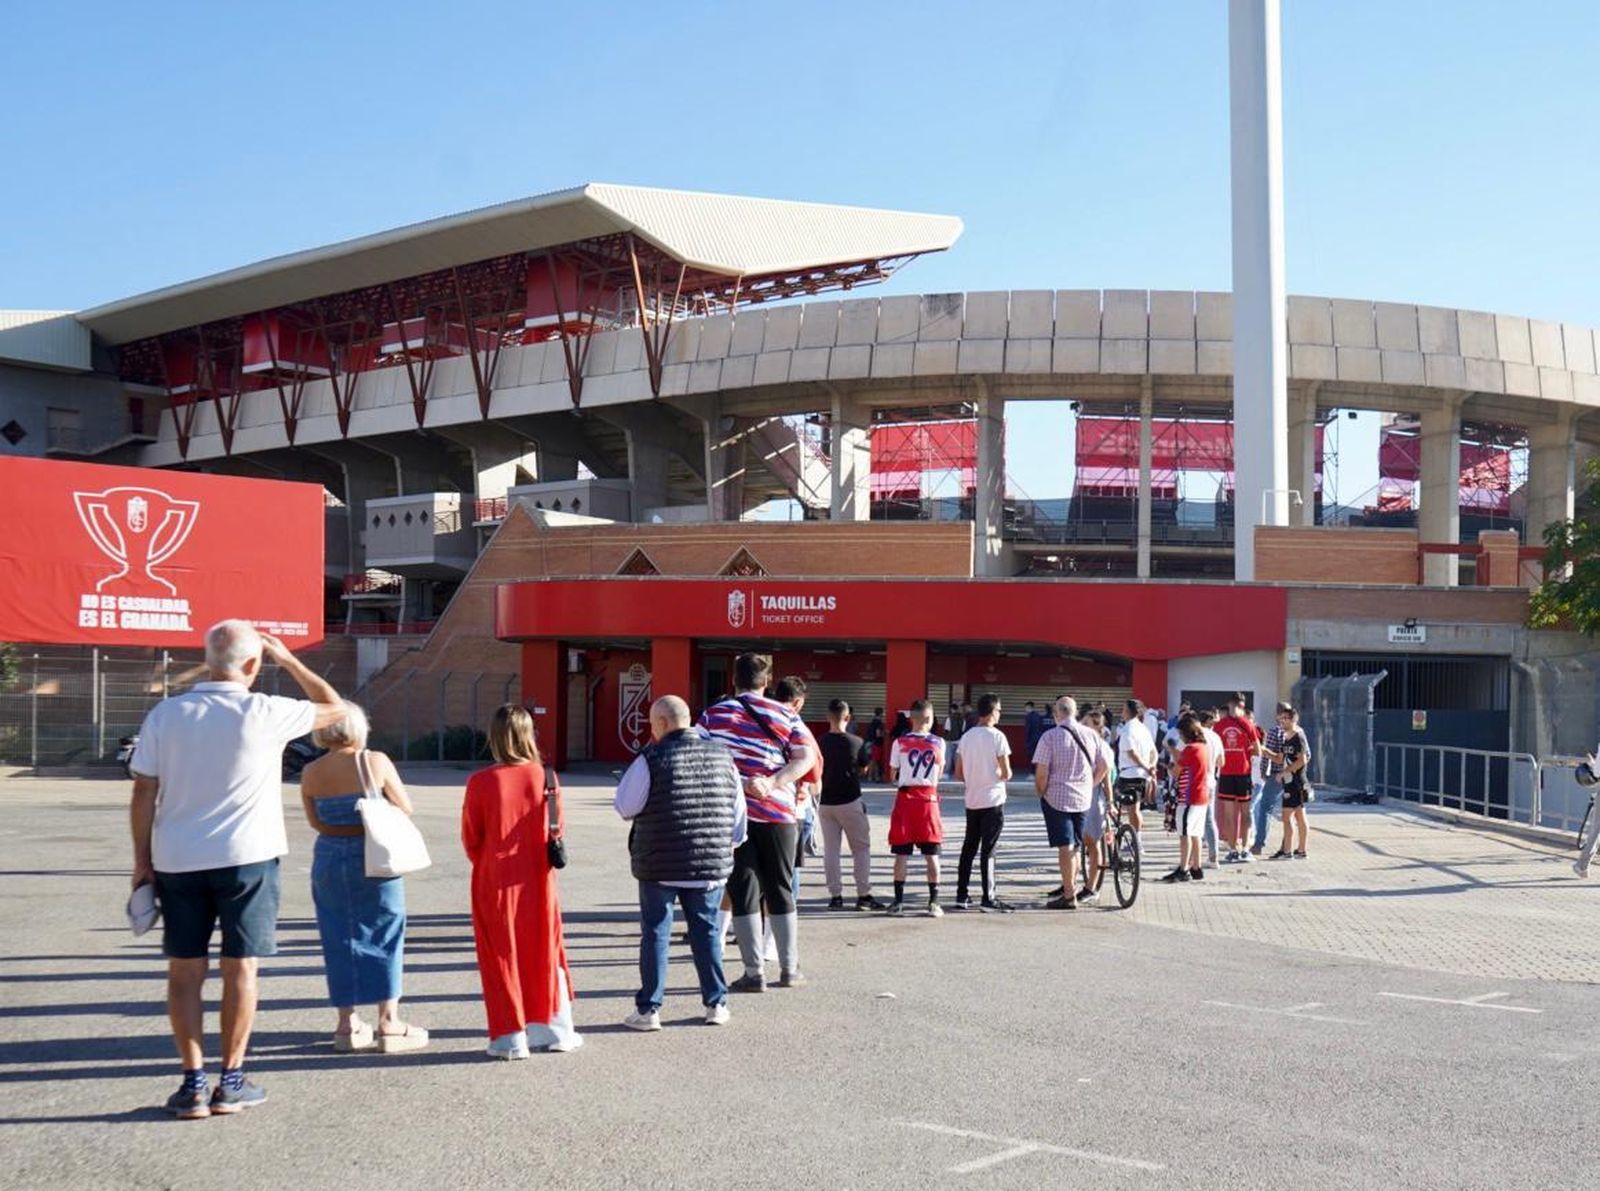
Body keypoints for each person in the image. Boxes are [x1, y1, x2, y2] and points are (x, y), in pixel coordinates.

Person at [128, 619, 344, 1118]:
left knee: (185, 971)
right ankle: (232, 1080)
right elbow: (339, 713)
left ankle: (191, 1085)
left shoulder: (167, 714)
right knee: (241, 968)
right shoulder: (265, 711)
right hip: (248, 856)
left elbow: (143, 790)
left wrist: (142, 863)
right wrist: (288, 660)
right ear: (253, 664)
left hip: (178, 858)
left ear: (207, 660)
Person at [299, 702, 427, 1054]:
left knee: (337, 934)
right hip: (373, 855)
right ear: (357, 728)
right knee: (385, 932)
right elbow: (404, 807)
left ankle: (346, 1023)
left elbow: (317, 823)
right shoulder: (375, 761)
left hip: (328, 855)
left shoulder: (311, 771)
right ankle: (389, 1022)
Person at [613, 696, 744, 1030]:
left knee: (656, 933)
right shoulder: (723, 757)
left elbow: (626, 806)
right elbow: (738, 818)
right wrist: (724, 847)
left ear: (662, 723)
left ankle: (649, 1011)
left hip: (659, 863)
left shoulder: (649, 758)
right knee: (707, 932)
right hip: (709, 863)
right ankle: (716, 1003)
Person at [462, 704, 581, 1058]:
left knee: (500, 954)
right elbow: (556, 828)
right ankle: (555, 1029)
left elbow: (472, 839)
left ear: (495, 736)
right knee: (545, 948)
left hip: (494, 878)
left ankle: (510, 1037)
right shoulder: (545, 776)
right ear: (529, 734)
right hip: (537, 878)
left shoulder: (481, 782)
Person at [698, 653, 817, 991]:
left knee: (743, 888)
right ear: (766, 682)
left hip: (732, 816)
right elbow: (805, 757)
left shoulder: (712, 715)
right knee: (780, 887)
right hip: (779, 813)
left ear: (733, 680)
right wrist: (773, 782)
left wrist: (736, 780)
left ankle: (753, 973)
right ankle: (789, 969)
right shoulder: (785, 713)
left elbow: (699, 755)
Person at [1032, 695, 1108, 910]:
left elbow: (1041, 773)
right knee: (1074, 845)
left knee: (1065, 847)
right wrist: (1090, 785)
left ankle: (1068, 895)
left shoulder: (1049, 737)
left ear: (1057, 714)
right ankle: (1071, 888)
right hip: (1083, 799)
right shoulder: (1091, 735)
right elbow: (1104, 765)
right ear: (1074, 713)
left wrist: (1041, 792)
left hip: (1056, 798)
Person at [817, 699, 884, 911]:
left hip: (825, 802)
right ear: (848, 717)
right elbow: (864, 769)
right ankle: (863, 895)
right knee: (861, 848)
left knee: (831, 850)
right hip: (850, 800)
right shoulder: (857, 742)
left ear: (828, 717)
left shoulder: (819, 742)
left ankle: (835, 896)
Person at [953, 692, 1014, 912]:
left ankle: (962, 895)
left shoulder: (967, 737)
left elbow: (958, 773)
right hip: (993, 799)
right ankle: (988, 897)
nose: (1000, 715)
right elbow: (1007, 773)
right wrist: (995, 772)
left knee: (968, 848)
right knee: (988, 850)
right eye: (999, 711)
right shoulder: (997, 737)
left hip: (972, 799)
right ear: (993, 711)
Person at [886, 699, 947, 916]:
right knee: (932, 854)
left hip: (905, 799)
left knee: (901, 853)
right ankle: (934, 902)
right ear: (929, 719)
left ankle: (898, 902)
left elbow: (892, 774)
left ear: (911, 718)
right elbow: (939, 773)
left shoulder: (899, 742)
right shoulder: (939, 742)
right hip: (928, 801)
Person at [1162, 713, 1212, 883]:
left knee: (1185, 834)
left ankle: (1183, 868)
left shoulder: (1191, 749)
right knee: (1196, 833)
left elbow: (1176, 771)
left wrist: (1168, 765)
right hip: (1202, 796)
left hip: (1189, 796)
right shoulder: (1203, 747)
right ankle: (1196, 867)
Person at [1075, 707, 1118, 904]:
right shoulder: (1082, 743)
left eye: (1086, 724)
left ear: (1097, 728)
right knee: (1079, 841)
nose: (1081, 727)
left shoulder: (1102, 747)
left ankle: (1092, 887)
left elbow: (1107, 777)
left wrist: (1110, 802)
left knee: (1092, 842)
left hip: (1095, 797)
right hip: (1081, 795)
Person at [1214, 694, 1261, 863]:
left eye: (1240, 705)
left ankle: (1246, 848)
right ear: (1229, 704)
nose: (1237, 708)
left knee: (1246, 811)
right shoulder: (1219, 725)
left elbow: (1257, 750)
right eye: (1234, 705)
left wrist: (1246, 752)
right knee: (1228, 813)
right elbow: (1214, 748)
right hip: (1226, 773)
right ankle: (1233, 848)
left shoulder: (1247, 724)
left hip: (1243, 773)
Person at [1265, 706, 1313, 860]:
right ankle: (1300, 850)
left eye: (1286, 718)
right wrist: (1265, 751)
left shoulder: (1297, 737)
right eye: (1281, 718)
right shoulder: (1286, 737)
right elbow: (1280, 758)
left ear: (1293, 720)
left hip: (1296, 782)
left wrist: (1285, 772)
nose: (1282, 721)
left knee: (1287, 818)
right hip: (1289, 782)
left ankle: (1288, 851)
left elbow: (1303, 759)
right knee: (1299, 816)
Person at [1115, 699, 1158, 854]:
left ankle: (1136, 842)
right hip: (1142, 774)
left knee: (1132, 810)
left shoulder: (1128, 729)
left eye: (1123, 709)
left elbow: (1132, 753)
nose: (1121, 712)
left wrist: (1146, 766)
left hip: (1130, 773)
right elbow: (1154, 751)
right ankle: (1136, 840)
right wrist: (1151, 766)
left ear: (1128, 712)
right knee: (1136, 808)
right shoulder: (1143, 729)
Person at [1251, 702, 1292, 856]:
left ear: (1277, 714)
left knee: (1265, 809)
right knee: (1289, 812)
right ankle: (1286, 845)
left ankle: (1259, 844)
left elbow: (1268, 756)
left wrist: (1263, 771)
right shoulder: (1296, 731)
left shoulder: (1275, 731)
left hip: (1276, 775)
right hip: (1292, 776)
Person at [1198, 709, 1225, 868]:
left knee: (1193, 821)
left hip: (1196, 782)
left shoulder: (1197, 735)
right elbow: (1222, 762)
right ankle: (1213, 857)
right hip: (1211, 781)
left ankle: (1190, 859)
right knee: (1209, 820)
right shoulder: (1216, 737)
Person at [864, 707, 887, 782]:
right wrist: (885, 733)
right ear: (881, 713)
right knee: (875, 761)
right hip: (876, 743)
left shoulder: (872, 722)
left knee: (872, 760)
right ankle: (874, 776)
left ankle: (870, 776)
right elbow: (878, 734)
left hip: (869, 742)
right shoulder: (879, 723)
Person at [1023, 701, 1047, 772]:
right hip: (1039, 738)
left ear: (1029, 707)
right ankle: (1037, 769)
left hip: (1031, 739)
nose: (1025, 709)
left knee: (1031, 755)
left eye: (1026, 708)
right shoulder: (1038, 715)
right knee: (1037, 754)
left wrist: (1026, 739)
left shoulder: (1028, 716)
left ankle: (1033, 770)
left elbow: (1028, 729)